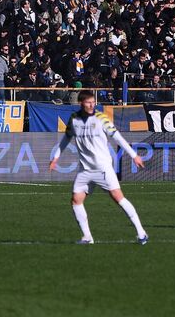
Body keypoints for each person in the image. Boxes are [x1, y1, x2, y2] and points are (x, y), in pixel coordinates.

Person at [47, 90, 148, 245]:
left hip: (102, 168)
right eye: (88, 102)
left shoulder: (101, 118)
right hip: (85, 170)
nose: (91, 104)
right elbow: (66, 138)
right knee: (76, 200)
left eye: (93, 101)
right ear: (81, 103)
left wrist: (134, 155)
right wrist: (56, 157)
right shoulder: (74, 119)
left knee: (118, 198)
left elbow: (117, 137)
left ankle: (141, 233)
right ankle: (87, 237)